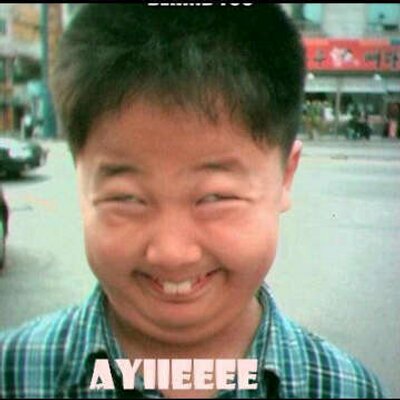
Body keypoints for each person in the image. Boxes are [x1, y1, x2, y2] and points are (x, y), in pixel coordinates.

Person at [0, 4, 386, 399]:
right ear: (81, 179)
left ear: (285, 176)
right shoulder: (13, 375)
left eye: (215, 196)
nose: (172, 253)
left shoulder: (347, 389)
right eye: (127, 198)